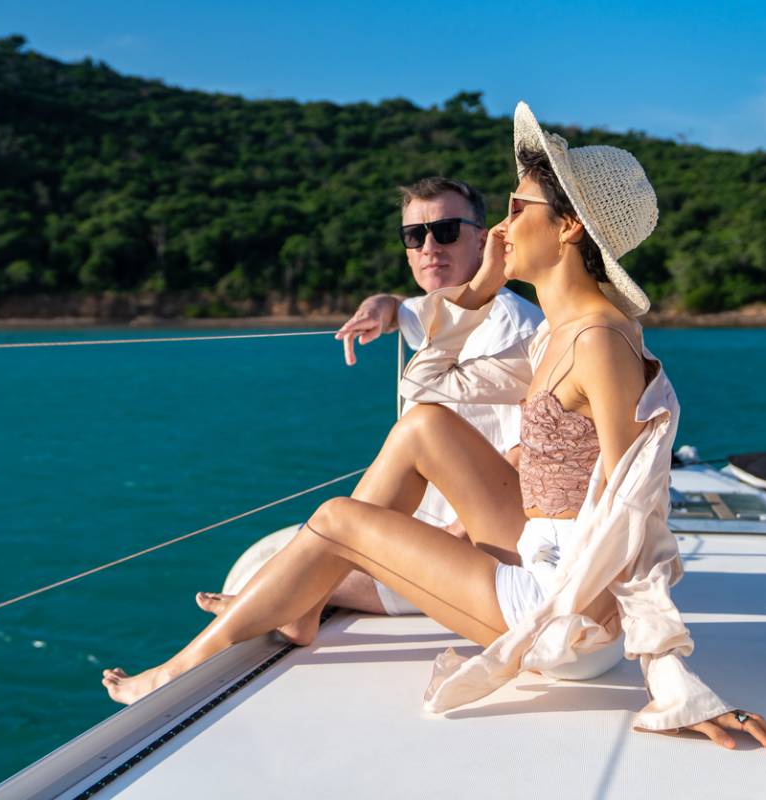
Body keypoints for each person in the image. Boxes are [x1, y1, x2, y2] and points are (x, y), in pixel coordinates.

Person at [104, 102, 766, 753]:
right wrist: (480, 290)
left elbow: (636, 514)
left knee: (338, 519)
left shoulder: (599, 341)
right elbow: (426, 387)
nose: (500, 230)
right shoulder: (559, 333)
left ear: (569, 227)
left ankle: (178, 669)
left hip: (568, 616)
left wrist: (673, 684)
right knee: (425, 427)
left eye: (518, 209)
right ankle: (307, 603)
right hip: (536, 549)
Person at [197, 177, 543, 632]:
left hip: (475, 545)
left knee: (285, 574)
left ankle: (289, 610)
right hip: (422, 527)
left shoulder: (511, 328)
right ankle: (299, 606)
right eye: (414, 236)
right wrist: (379, 307)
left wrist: (451, 537)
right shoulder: (441, 311)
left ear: (483, 240)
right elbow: (405, 307)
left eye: (446, 231)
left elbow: (528, 456)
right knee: (305, 554)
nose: (429, 247)